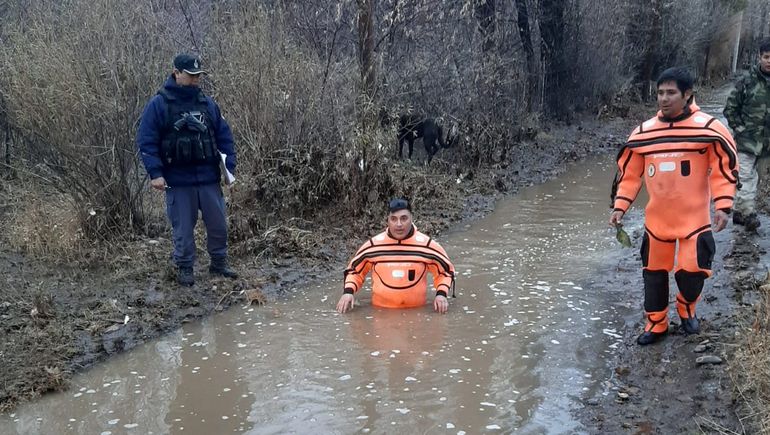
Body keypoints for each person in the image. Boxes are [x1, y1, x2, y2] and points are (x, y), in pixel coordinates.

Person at [609, 67, 739, 345]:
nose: (664, 99)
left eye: (671, 93)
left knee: (693, 271)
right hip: (657, 220)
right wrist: (620, 206)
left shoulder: (708, 129)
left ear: (687, 94)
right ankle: (656, 324)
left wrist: (723, 205)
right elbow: (629, 175)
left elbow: (723, 167)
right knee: (653, 276)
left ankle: (686, 307)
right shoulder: (644, 134)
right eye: (660, 93)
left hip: (694, 219)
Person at [136, 53, 238, 286]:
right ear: (176, 73)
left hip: (208, 177)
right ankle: (184, 267)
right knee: (182, 228)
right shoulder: (159, 104)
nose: (194, 80)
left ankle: (219, 263)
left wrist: (228, 169)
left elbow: (224, 137)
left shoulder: (207, 103)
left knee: (218, 224)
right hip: (178, 179)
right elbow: (147, 140)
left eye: (198, 76)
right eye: (190, 76)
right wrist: (155, 173)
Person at [336, 198, 455, 314]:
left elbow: (445, 271)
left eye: (404, 218)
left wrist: (441, 295)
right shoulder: (373, 245)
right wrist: (348, 292)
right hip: (380, 315)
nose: (399, 224)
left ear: (411, 218)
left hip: (417, 313)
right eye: (394, 219)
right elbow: (355, 271)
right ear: (387, 220)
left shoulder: (427, 245)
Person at [723, 38, 770, 232]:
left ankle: (740, 211)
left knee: (759, 179)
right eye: (766, 57)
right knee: (745, 177)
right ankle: (749, 214)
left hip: (767, 143)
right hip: (747, 141)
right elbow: (730, 109)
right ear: (760, 57)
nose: (769, 61)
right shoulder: (747, 82)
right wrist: (739, 129)